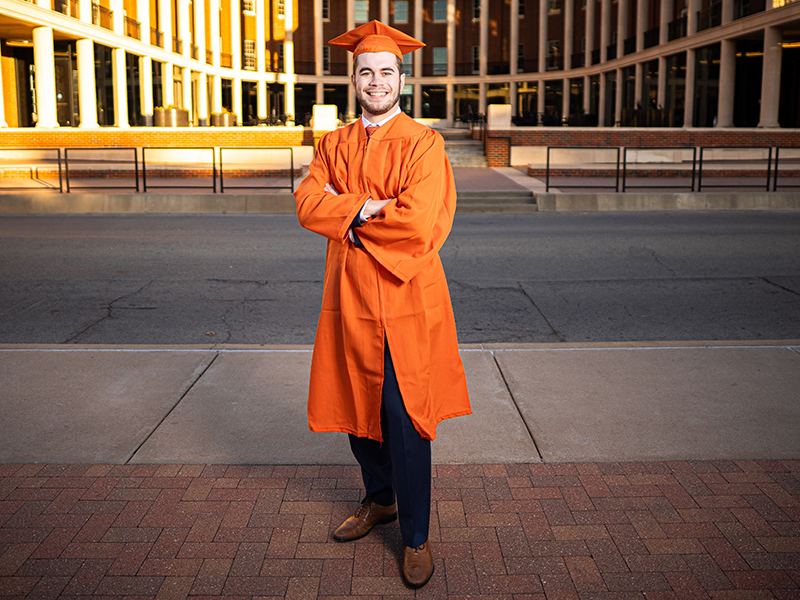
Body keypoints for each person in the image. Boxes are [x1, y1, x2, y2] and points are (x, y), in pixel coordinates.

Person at [294, 20, 471, 589]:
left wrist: (346, 215)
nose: (376, 80)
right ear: (354, 78)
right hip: (349, 299)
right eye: (366, 71)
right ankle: (380, 500)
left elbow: (419, 224)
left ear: (402, 78)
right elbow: (304, 202)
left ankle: (415, 535)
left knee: (405, 417)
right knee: (359, 411)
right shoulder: (333, 143)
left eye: (386, 72)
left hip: (405, 300)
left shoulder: (424, 142)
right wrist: (369, 208)